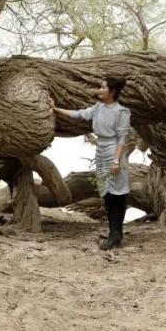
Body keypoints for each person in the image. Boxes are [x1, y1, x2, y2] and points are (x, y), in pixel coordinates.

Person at [51, 77, 131, 251]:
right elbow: (79, 114)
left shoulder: (121, 112)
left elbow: (122, 139)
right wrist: (56, 110)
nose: (99, 90)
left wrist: (116, 161)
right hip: (101, 152)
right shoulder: (98, 108)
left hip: (114, 152)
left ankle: (115, 235)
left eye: (103, 87)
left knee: (117, 194)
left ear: (112, 92)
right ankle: (115, 234)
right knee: (108, 194)